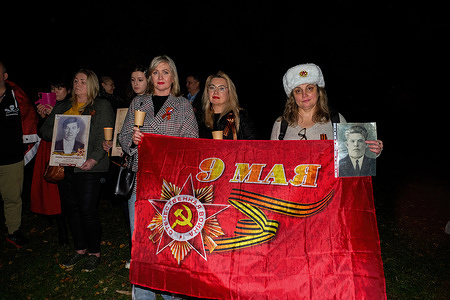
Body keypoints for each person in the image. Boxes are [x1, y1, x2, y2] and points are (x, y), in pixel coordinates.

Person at [118, 55, 198, 299]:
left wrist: (163, 145)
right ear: (151, 76)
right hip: (141, 179)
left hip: (170, 183)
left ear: (173, 77)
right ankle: (143, 293)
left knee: (171, 238)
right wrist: (132, 141)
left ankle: (173, 290)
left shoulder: (182, 105)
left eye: (166, 72)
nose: (161, 77)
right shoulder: (138, 103)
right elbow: (122, 137)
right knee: (140, 238)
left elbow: (192, 142)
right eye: (156, 72)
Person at [40, 69, 115, 272]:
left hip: (90, 168)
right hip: (66, 166)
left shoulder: (101, 105)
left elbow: (105, 137)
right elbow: (45, 132)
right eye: (75, 80)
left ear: (92, 85)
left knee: (87, 210)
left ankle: (94, 252)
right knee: (72, 210)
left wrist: (93, 159)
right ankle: (79, 249)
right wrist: (54, 119)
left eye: (82, 81)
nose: (77, 84)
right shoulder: (64, 106)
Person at [270, 63, 383, 156]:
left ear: (318, 91)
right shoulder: (281, 124)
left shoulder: (336, 120)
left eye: (309, 88)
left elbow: (351, 158)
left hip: (328, 184)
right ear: (292, 96)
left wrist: (371, 150)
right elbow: (271, 160)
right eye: (298, 91)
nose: (304, 95)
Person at [0, 61, 39, 248]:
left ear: (5, 77)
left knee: (12, 197)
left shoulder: (16, 97)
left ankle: (13, 232)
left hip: (11, 158)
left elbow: (29, 117)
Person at [31, 78, 71, 245]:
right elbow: (43, 132)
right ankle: (58, 226)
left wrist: (53, 115)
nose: (55, 91)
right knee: (50, 188)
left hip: (65, 149)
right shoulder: (49, 106)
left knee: (65, 190)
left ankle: (66, 228)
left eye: (60, 87)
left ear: (68, 90)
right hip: (47, 148)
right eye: (53, 88)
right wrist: (43, 117)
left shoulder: (71, 104)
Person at [198, 71, 257, 140]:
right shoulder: (200, 118)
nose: (216, 92)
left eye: (221, 88)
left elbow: (254, 144)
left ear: (229, 93)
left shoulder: (239, 116)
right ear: (207, 92)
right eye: (212, 87)